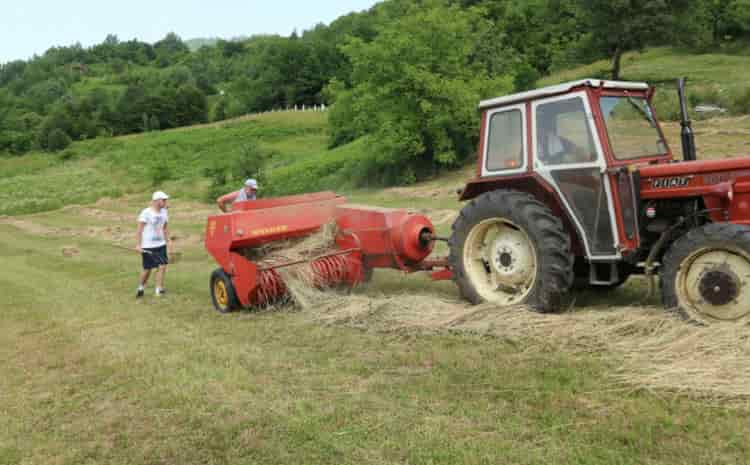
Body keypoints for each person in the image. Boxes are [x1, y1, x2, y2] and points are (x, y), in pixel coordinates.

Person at [135, 191, 171, 298]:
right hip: (148, 245)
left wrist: (168, 240)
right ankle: (141, 287)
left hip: (161, 244)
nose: (165, 202)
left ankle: (158, 289)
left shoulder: (164, 212)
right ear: (156, 201)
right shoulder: (146, 212)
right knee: (148, 269)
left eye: (166, 200)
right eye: (163, 200)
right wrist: (138, 245)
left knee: (162, 266)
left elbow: (164, 227)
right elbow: (139, 230)